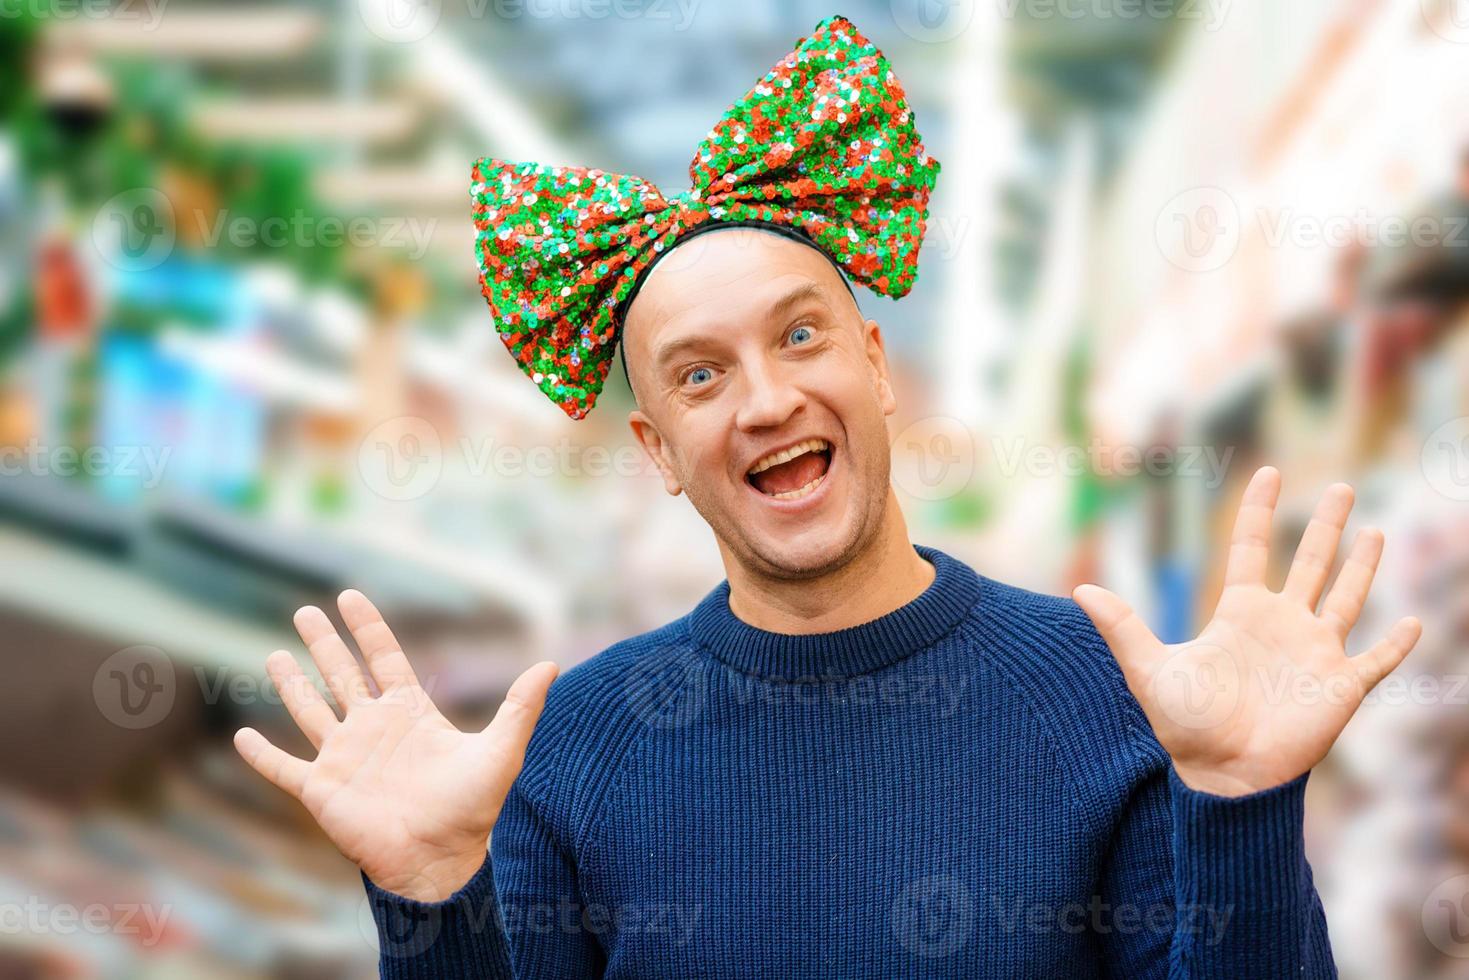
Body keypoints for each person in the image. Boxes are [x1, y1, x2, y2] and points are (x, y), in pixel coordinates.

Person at [232, 17, 1422, 978]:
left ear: (874, 366)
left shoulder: (1108, 697)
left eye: (798, 336)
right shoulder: (567, 752)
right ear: (656, 449)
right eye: (699, 375)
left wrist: (1241, 802)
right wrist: (434, 901)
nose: (761, 400)